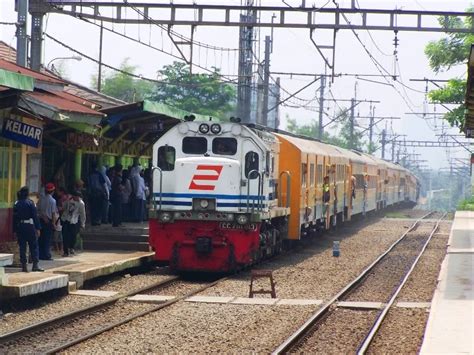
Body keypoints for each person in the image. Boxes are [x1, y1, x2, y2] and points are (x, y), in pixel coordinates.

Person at [13, 186, 44, 272]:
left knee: (22, 247)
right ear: (27, 194)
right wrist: (38, 228)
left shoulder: (16, 203)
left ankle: (24, 266)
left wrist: (14, 230)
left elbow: (14, 218)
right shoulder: (31, 203)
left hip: (20, 227)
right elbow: (35, 217)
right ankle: (35, 265)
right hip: (30, 226)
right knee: (33, 246)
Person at [37, 182, 59, 260]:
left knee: (41, 238)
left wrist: (43, 216)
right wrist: (53, 223)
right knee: (47, 239)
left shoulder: (41, 199)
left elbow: (38, 209)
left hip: (41, 220)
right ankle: (46, 255)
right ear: (53, 191)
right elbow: (53, 213)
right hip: (48, 221)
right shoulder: (53, 201)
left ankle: (40, 254)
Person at [61, 190, 86, 257]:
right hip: (66, 219)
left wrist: (83, 224)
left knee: (73, 235)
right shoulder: (69, 200)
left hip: (74, 221)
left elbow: (83, 214)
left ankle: (71, 247)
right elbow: (64, 207)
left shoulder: (81, 204)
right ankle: (66, 251)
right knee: (65, 236)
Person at [54, 187, 69, 253]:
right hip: (64, 218)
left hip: (61, 218)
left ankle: (60, 248)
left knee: (60, 235)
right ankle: (62, 248)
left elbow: (62, 209)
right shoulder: (67, 198)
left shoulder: (62, 199)